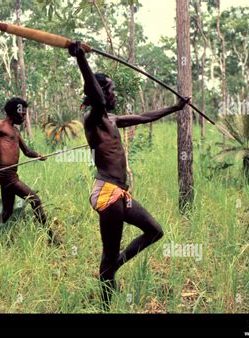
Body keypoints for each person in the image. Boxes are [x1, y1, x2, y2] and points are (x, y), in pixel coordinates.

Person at [68, 41, 191, 308]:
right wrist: (81, 60)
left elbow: (145, 116)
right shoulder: (94, 119)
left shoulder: (112, 119)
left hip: (121, 193)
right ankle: (104, 302)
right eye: (109, 89)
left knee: (154, 231)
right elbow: (97, 97)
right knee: (108, 253)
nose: (113, 93)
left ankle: (110, 270)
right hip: (107, 193)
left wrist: (176, 108)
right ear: (98, 92)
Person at [0, 97, 61, 245]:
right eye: (22, 114)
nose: (24, 117)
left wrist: (38, 155)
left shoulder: (15, 131)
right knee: (35, 200)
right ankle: (51, 237)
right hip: (5, 174)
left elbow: (26, 151)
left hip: (12, 173)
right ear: (14, 112)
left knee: (7, 212)